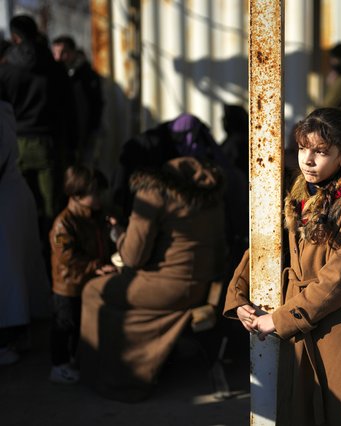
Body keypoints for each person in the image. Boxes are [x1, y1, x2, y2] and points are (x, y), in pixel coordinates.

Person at [223, 108, 341, 425]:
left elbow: (337, 280)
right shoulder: (295, 197)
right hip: (299, 326)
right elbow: (264, 246)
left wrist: (280, 319)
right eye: (302, 148)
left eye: (320, 152)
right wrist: (238, 295)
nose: (307, 160)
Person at [78, 156, 228, 402]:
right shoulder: (212, 196)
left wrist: (119, 236)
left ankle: (108, 376)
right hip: (203, 287)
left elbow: (134, 256)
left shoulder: (153, 193)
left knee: (94, 290)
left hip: (165, 289)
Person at [0, 15, 75, 231]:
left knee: (19, 206)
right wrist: (72, 146)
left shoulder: (6, 70)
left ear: (15, 38)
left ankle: (25, 256)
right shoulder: (55, 69)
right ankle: (53, 254)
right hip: (49, 143)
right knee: (52, 208)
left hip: (15, 144)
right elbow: (69, 112)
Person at [48, 165, 114, 384]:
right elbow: (68, 256)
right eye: (94, 194)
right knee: (65, 324)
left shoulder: (95, 217)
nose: (99, 199)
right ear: (76, 195)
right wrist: (95, 266)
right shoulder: (64, 223)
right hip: (68, 285)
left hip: (86, 282)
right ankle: (59, 365)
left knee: (81, 325)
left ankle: (76, 360)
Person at [0, 100, 50, 365]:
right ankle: (20, 333)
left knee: (9, 275)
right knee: (19, 270)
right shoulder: (5, 109)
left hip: (6, 205)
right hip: (14, 198)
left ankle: (9, 339)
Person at [51, 35, 104, 165]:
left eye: (63, 53)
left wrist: (93, 130)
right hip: (64, 137)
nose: (58, 57)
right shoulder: (53, 75)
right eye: (55, 53)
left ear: (73, 52)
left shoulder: (87, 76)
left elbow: (95, 105)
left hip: (85, 135)